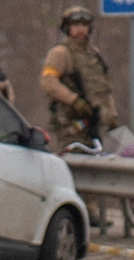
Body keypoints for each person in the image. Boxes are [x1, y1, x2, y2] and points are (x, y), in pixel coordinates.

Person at [40, 9, 119, 154]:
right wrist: (74, 100)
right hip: (72, 124)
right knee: (76, 161)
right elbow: (48, 82)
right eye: (75, 25)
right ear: (67, 28)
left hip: (96, 124)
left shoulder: (94, 55)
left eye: (84, 25)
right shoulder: (61, 53)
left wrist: (111, 117)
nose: (80, 29)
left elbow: (104, 89)